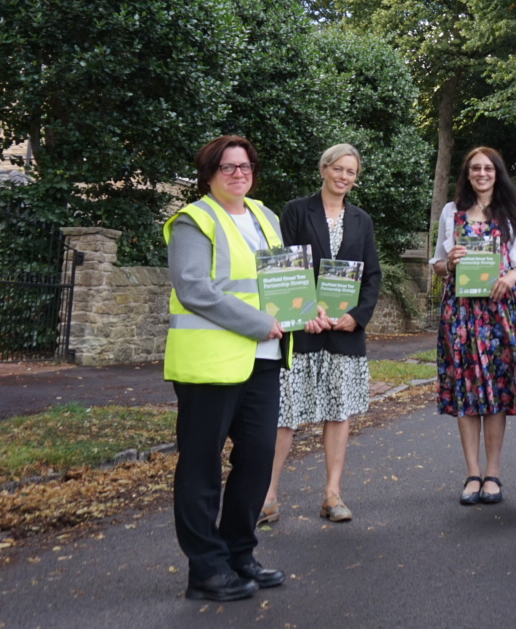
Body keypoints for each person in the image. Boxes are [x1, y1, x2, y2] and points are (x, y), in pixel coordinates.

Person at [163, 135, 287, 603]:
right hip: (209, 364)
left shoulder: (265, 216)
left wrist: (302, 312)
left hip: (263, 361)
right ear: (209, 174)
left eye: (246, 166)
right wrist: (260, 323)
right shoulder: (193, 221)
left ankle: (240, 553)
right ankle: (206, 569)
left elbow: (279, 281)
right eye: (228, 167)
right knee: (200, 468)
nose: (239, 173)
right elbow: (194, 288)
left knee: (256, 459)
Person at [261, 144, 384, 525]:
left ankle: (332, 495)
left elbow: (372, 276)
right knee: (284, 414)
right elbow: (284, 268)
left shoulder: (362, 220)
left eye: (351, 172)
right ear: (323, 169)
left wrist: (357, 317)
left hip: (343, 334)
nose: (344, 177)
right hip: (303, 332)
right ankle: (266, 497)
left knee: (338, 411)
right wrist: (302, 311)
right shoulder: (297, 211)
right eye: (338, 169)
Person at [431, 146, 516, 506]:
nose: (481, 173)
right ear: (466, 174)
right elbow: (435, 263)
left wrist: (512, 275)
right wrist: (448, 262)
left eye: (488, 168)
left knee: (496, 391)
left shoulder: (513, 212)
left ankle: (492, 473)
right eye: (475, 168)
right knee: (466, 393)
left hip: (500, 311)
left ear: (498, 173)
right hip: (461, 312)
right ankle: (471, 473)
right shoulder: (452, 212)